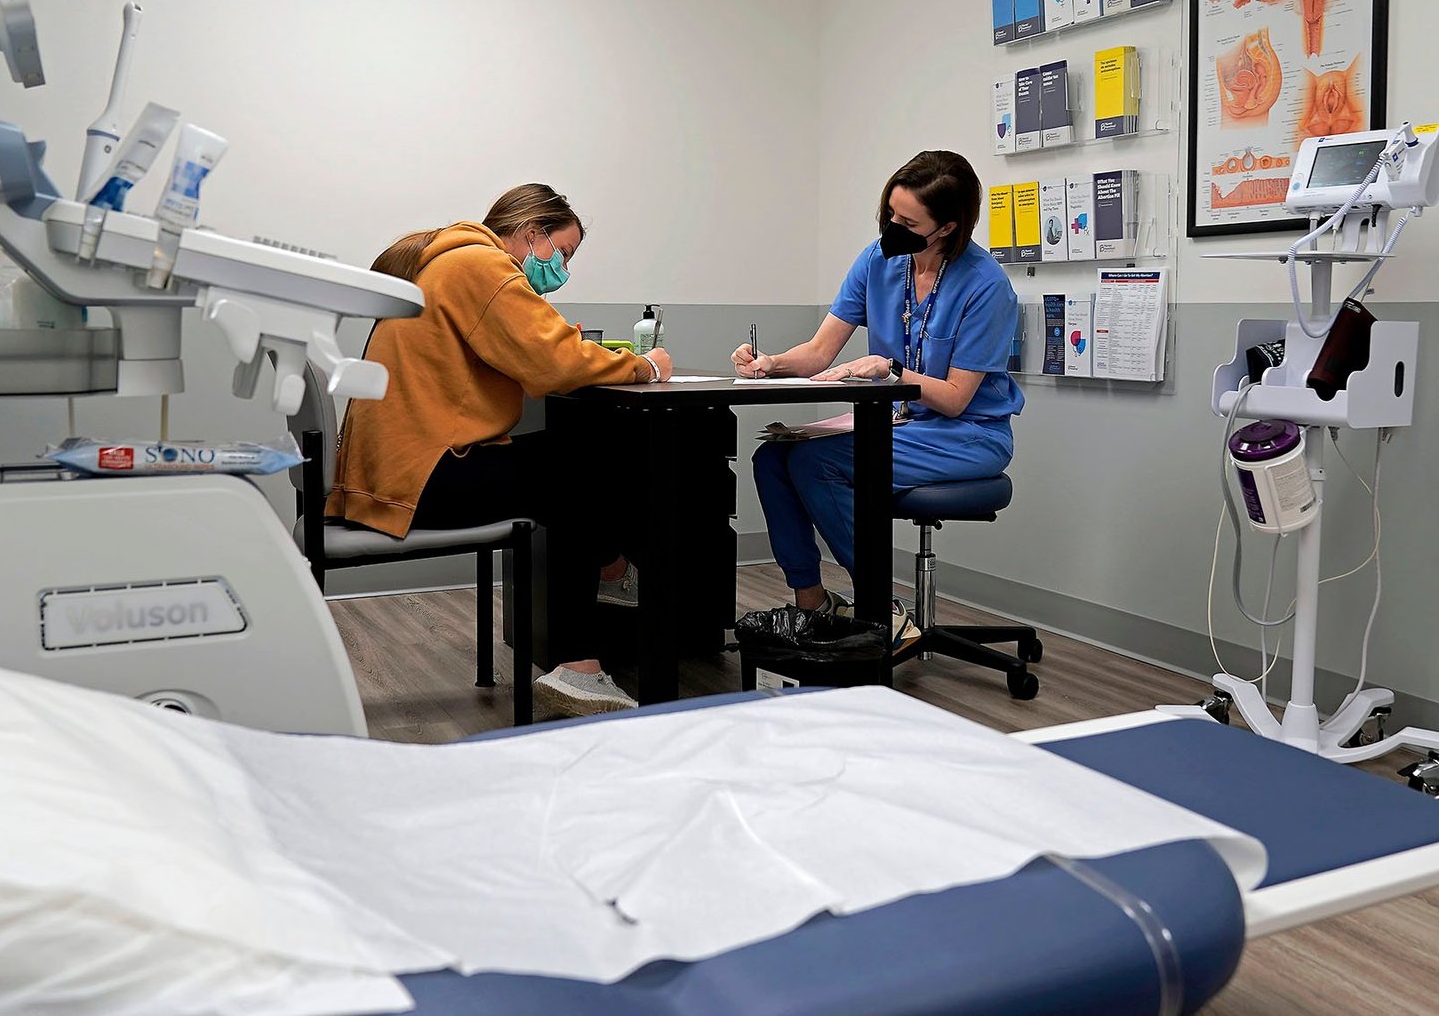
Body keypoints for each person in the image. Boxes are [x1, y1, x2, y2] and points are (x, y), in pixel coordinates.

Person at [327, 184, 672, 716]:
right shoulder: (481, 267)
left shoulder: (444, 259)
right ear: (532, 233)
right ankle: (595, 629)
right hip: (423, 479)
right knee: (576, 470)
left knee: (567, 464)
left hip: (391, 472)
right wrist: (646, 366)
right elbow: (553, 362)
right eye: (563, 253)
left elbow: (529, 351)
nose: (563, 269)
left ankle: (610, 583)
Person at [730, 151, 1023, 650]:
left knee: (814, 463)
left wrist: (890, 369)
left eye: (908, 223)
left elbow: (956, 399)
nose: (893, 228)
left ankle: (881, 610)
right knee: (772, 458)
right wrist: (769, 363)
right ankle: (813, 606)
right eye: (890, 214)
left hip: (967, 435)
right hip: (899, 423)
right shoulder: (877, 260)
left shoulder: (986, 286)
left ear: (947, 227)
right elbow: (819, 352)